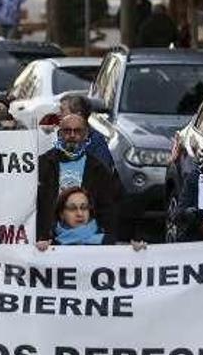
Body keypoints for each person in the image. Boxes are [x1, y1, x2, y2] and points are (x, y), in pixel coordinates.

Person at [36, 114, 123, 242]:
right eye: (67, 131)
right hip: (49, 241)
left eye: (77, 131)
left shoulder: (98, 168)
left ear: (86, 134)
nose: (72, 135)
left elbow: (109, 209)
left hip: (88, 241)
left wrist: (109, 239)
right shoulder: (42, 164)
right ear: (59, 134)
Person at [35, 188, 146, 250]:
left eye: (84, 208)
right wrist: (38, 253)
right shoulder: (52, 246)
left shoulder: (108, 242)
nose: (79, 213)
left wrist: (134, 252)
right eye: (72, 209)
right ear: (61, 214)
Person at [58, 94, 113, 167]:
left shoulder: (96, 141)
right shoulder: (62, 137)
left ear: (77, 115)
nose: (58, 114)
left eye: (62, 111)